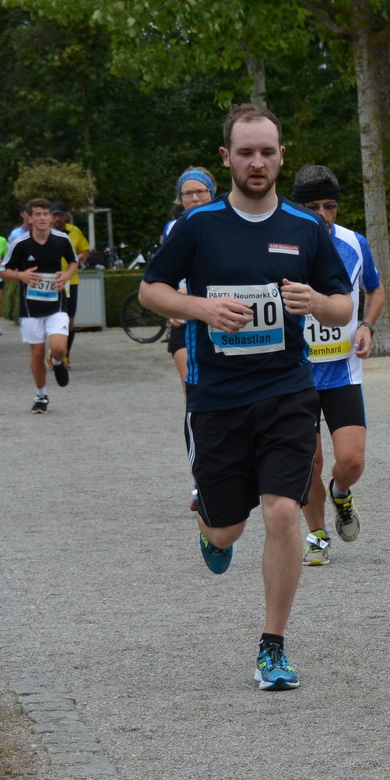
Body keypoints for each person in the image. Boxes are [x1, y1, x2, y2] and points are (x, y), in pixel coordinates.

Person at [138, 104, 352, 691]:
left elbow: (343, 305)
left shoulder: (306, 229)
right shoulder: (199, 226)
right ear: (227, 158)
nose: (257, 162)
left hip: (286, 390)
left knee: (283, 510)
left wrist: (315, 302)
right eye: (246, 152)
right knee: (228, 533)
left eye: (267, 152)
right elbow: (150, 290)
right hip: (217, 396)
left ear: (281, 156)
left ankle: (273, 645)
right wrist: (201, 308)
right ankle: (209, 521)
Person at [290, 165, 385, 567]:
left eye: (330, 206)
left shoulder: (353, 242)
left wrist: (366, 324)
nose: (323, 215)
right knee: (307, 459)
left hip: (342, 370)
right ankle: (316, 535)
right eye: (313, 207)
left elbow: (375, 290)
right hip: (295, 374)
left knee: (351, 461)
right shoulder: (282, 244)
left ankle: (341, 494)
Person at [0, 198, 79, 411]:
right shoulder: (21, 243)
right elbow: (3, 271)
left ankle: (58, 362)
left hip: (56, 303)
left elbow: (74, 261)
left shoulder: (62, 240)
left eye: (46, 214)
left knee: (59, 348)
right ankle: (41, 396)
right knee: (36, 353)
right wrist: (21, 275)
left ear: (52, 217)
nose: (42, 218)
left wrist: (67, 275)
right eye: (38, 214)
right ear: (30, 217)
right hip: (30, 308)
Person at [165, 168, 219, 388]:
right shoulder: (174, 229)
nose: (195, 197)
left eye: (200, 191)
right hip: (185, 321)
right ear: (181, 198)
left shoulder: (228, 224)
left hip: (219, 319)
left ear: (212, 192)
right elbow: (162, 278)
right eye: (188, 193)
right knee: (192, 389)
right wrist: (170, 305)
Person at [53, 202, 88, 360]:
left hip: (70, 281)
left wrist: (81, 258)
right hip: (50, 282)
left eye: (61, 215)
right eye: (55, 215)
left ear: (66, 216)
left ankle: (64, 355)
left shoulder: (75, 232)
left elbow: (85, 250)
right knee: (52, 319)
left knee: (69, 321)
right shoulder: (45, 232)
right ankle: (54, 351)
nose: (58, 218)